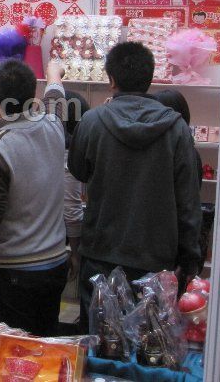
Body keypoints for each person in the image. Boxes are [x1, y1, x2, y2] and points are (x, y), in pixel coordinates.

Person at [69, 42, 202, 333]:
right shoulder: (177, 128)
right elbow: (188, 200)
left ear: (111, 79)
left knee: (99, 341)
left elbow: (78, 170)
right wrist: (190, 259)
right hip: (156, 258)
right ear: (150, 78)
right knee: (150, 343)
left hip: (101, 252)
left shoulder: (92, 122)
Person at [0, 60, 69, 336]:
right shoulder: (54, 124)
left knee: (13, 349)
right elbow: (55, 94)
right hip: (55, 264)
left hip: (14, 273)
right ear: (33, 96)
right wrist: (54, 72)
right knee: (45, 344)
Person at [154, 89, 206, 275]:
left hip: (163, 242)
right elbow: (190, 205)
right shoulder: (189, 152)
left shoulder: (180, 153)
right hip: (173, 243)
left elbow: (186, 204)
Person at [63, 90, 90, 285]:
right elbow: (71, 209)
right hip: (55, 243)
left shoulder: (45, 144)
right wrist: (75, 253)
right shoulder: (68, 153)